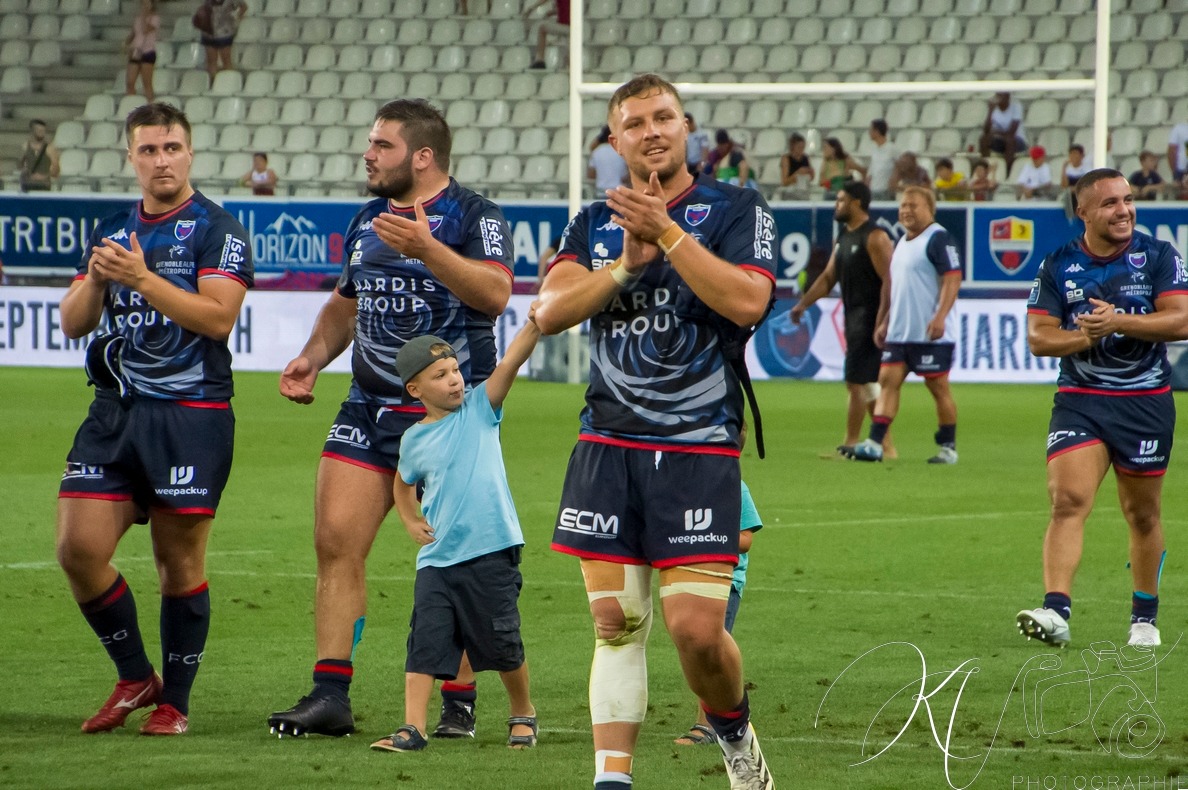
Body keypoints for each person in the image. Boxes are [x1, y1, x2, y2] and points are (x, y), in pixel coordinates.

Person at [533, 73, 776, 790]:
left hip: (698, 444)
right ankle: (613, 780)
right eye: (634, 123)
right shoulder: (592, 222)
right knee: (616, 622)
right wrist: (621, 267)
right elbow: (547, 311)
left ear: (686, 125)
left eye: (663, 116)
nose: (652, 131)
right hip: (608, 443)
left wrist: (666, 233)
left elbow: (747, 301)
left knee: (697, 634)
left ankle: (736, 739)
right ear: (614, 141)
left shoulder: (735, 207)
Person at [266, 98, 514, 739]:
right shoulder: (367, 220)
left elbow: (494, 294)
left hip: (449, 419)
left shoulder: (475, 216)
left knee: (453, 557)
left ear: (422, 156)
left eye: (382, 145)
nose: (369, 154)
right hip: (369, 404)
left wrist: (429, 248)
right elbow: (347, 306)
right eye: (371, 143)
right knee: (334, 542)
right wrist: (313, 357)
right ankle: (330, 695)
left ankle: (458, 702)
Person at [55, 101, 253, 736]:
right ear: (131, 157)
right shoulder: (114, 230)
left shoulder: (218, 229)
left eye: (171, 148)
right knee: (78, 549)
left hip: (189, 414)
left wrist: (140, 277)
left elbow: (218, 319)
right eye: (148, 150)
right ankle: (136, 675)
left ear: (190, 153)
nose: (161, 160)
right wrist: (97, 275)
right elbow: (73, 322)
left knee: (178, 564)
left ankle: (177, 702)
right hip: (113, 412)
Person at [1016, 169, 1188, 649]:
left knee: (1142, 515)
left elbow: (1182, 320)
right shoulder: (1059, 264)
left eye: (1128, 200)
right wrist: (1084, 336)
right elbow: (1038, 336)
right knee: (1067, 500)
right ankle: (1055, 611)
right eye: (1111, 202)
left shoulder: (1157, 256)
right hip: (1081, 400)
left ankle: (1145, 619)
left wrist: (1120, 322)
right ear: (1084, 213)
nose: (1124, 210)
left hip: (1144, 403)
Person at [369, 326, 541, 754]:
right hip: (437, 560)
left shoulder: (480, 408)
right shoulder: (413, 439)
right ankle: (413, 728)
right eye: (441, 374)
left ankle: (523, 712)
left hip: (491, 552)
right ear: (415, 389)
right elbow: (402, 483)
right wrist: (409, 520)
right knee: (424, 643)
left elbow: (511, 362)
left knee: (502, 643)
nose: (454, 379)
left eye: (455, 370)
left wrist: (536, 324)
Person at [851, 186, 962, 464]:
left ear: (929, 209)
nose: (906, 210)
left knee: (938, 388)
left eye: (913, 205)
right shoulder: (901, 242)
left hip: (930, 333)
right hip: (900, 332)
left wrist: (940, 317)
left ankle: (948, 448)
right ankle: (875, 443)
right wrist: (885, 320)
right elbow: (896, 288)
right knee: (888, 382)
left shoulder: (938, 239)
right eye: (903, 206)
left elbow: (952, 278)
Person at [791, 181, 896, 459]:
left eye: (841, 200)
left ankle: (850, 443)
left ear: (857, 203)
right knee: (865, 382)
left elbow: (890, 280)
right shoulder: (844, 237)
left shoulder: (875, 237)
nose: (836, 205)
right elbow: (828, 278)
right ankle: (885, 445)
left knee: (855, 382)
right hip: (853, 317)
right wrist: (803, 304)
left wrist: (882, 318)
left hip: (870, 318)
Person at [674, 439, 762, 746]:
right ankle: (716, 720)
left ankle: (707, 726)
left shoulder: (735, 487)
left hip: (725, 581)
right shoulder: (684, 486)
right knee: (697, 653)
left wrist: (708, 536)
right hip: (689, 577)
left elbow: (746, 538)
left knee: (709, 653)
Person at [200, 0, 247, 86]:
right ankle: (213, 84)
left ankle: (229, 84)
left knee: (226, 60)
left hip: (224, 32)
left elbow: (243, 7)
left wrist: (236, 18)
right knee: (211, 61)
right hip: (208, 31)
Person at [979, 91, 1027, 172]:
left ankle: (1007, 171)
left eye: (1001, 96)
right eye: (997, 96)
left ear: (1007, 97)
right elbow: (986, 130)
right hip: (1000, 140)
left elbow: (1012, 132)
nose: (998, 99)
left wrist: (996, 132)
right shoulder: (994, 109)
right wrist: (990, 111)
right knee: (984, 139)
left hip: (1018, 141)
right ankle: (985, 168)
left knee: (1009, 140)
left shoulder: (1016, 106)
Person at [124, 0, 160, 103]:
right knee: (130, 82)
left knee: (146, 83)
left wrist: (145, 15)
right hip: (136, 51)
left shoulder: (155, 18)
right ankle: (131, 105)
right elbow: (134, 33)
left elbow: (145, 30)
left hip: (148, 52)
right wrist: (127, 43)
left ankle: (151, 107)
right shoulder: (138, 19)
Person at [18, 119, 60, 192]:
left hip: (43, 185)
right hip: (28, 184)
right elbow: (20, 164)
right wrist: (24, 170)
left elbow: (56, 170)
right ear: (32, 131)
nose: (42, 133)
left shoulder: (50, 148)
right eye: (39, 130)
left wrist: (44, 177)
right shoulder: (25, 146)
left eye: (43, 131)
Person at [525, 0, 569, 70]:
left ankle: (540, 61)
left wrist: (531, 8)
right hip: (568, 28)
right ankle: (540, 61)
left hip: (569, 28)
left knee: (542, 28)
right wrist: (552, 12)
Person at [588, 125, 628, 194]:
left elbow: (591, 175)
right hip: (618, 192)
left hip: (601, 192)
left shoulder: (596, 152)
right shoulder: (621, 151)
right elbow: (625, 177)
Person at [865, 119, 897, 200]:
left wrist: (893, 181)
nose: (869, 132)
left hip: (885, 191)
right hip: (873, 190)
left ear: (877, 131)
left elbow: (900, 167)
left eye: (871, 130)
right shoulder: (875, 150)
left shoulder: (892, 149)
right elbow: (871, 171)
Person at [1167, 117, 1188, 184]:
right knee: (1180, 193)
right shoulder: (1179, 128)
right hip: (1180, 169)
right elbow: (1171, 150)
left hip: (1180, 169)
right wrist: (1174, 170)